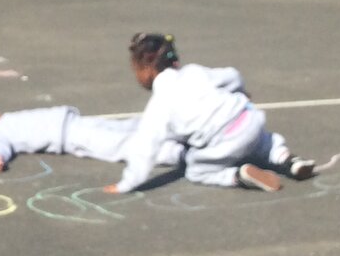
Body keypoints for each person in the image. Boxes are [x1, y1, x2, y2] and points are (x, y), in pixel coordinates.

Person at [104, 32, 315, 194]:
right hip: (248, 120)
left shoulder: (158, 105)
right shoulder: (194, 72)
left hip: (226, 142)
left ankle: (238, 175)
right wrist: (241, 91)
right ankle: (289, 160)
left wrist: (126, 184)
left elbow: (145, 150)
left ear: (147, 67)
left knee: (196, 169)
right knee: (266, 143)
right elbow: (233, 75)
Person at [0, 105, 185, 173]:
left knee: (124, 129)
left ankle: (178, 131)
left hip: (75, 125)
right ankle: (181, 151)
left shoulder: (3, 124)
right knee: (122, 144)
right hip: (73, 134)